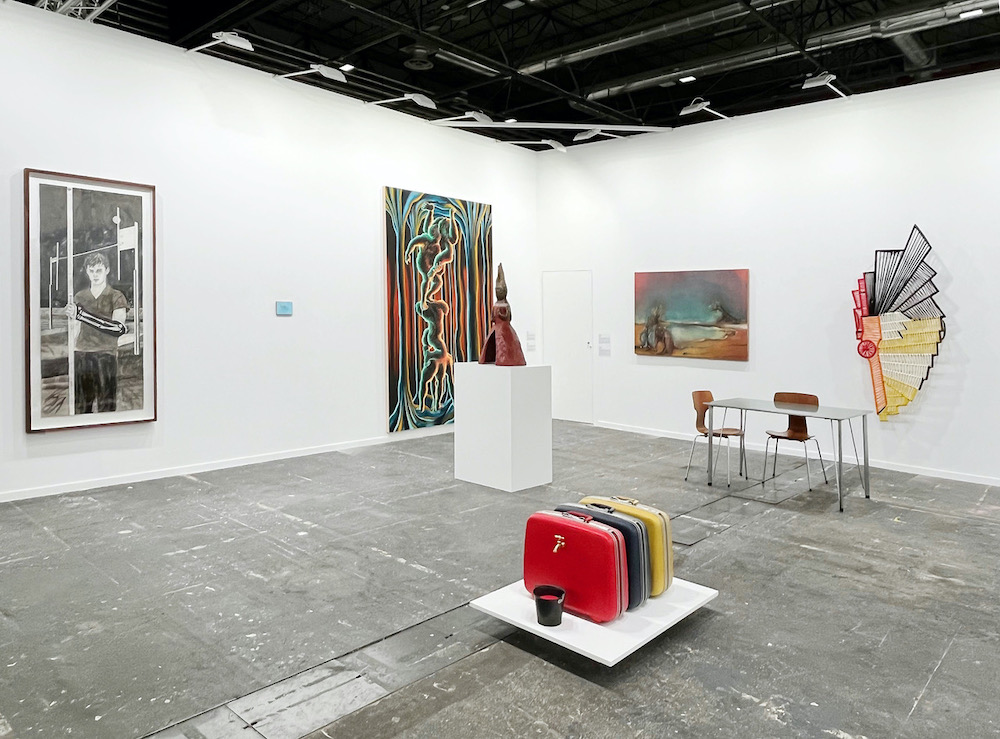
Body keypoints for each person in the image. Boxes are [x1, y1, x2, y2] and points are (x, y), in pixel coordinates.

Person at [65, 252, 128, 414]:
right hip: (82, 354)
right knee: (81, 406)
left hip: (105, 354)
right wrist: (72, 349)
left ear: (107, 270)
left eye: (99, 270)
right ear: (87, 271)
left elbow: (118, 328)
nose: (95, 275)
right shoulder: (80, 297)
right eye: (91, 271)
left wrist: (82, 315)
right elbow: (75, 328)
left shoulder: (116, 296)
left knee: (106, 404)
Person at [479, 263, 526, 366]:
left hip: (504, 330)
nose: (498, 292)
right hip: (497, 329)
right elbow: (492, 317)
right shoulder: (497, 304)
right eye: (497, 290)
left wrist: (501, 315)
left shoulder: (505, 305)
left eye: (499, 290)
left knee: (504, 346)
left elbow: (508, 317)